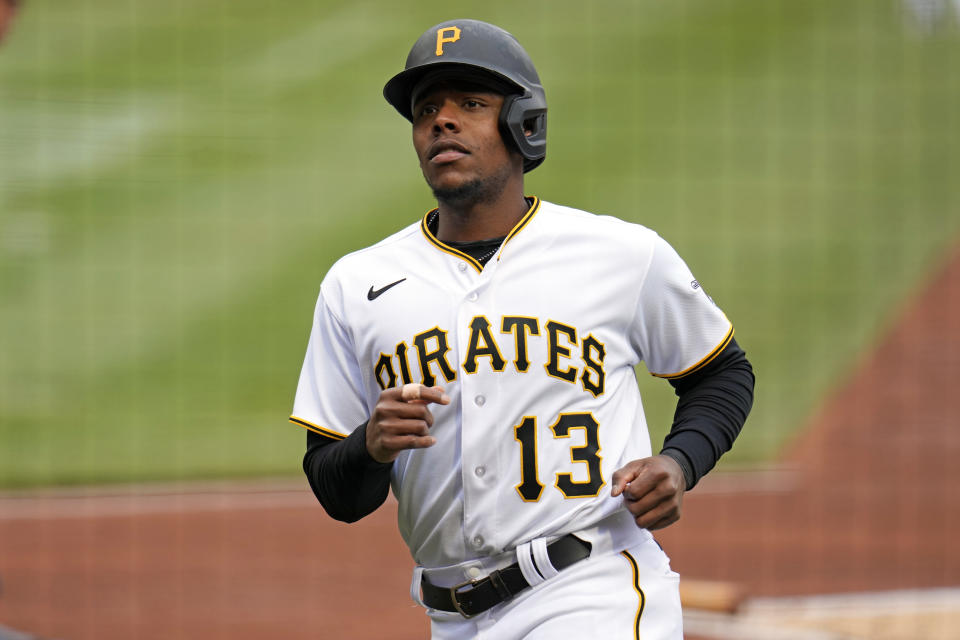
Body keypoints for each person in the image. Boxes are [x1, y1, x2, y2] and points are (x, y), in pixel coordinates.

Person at [291, 19, 754, 639]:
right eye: (427, 109)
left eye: (471, 104)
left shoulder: (618, 254)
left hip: (590, 592)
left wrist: (679, 462)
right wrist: (370, 445)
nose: (442, 121)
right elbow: (338, 492)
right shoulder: (357, 284)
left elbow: (721, 372)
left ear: (524, 125)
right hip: (451, 619)